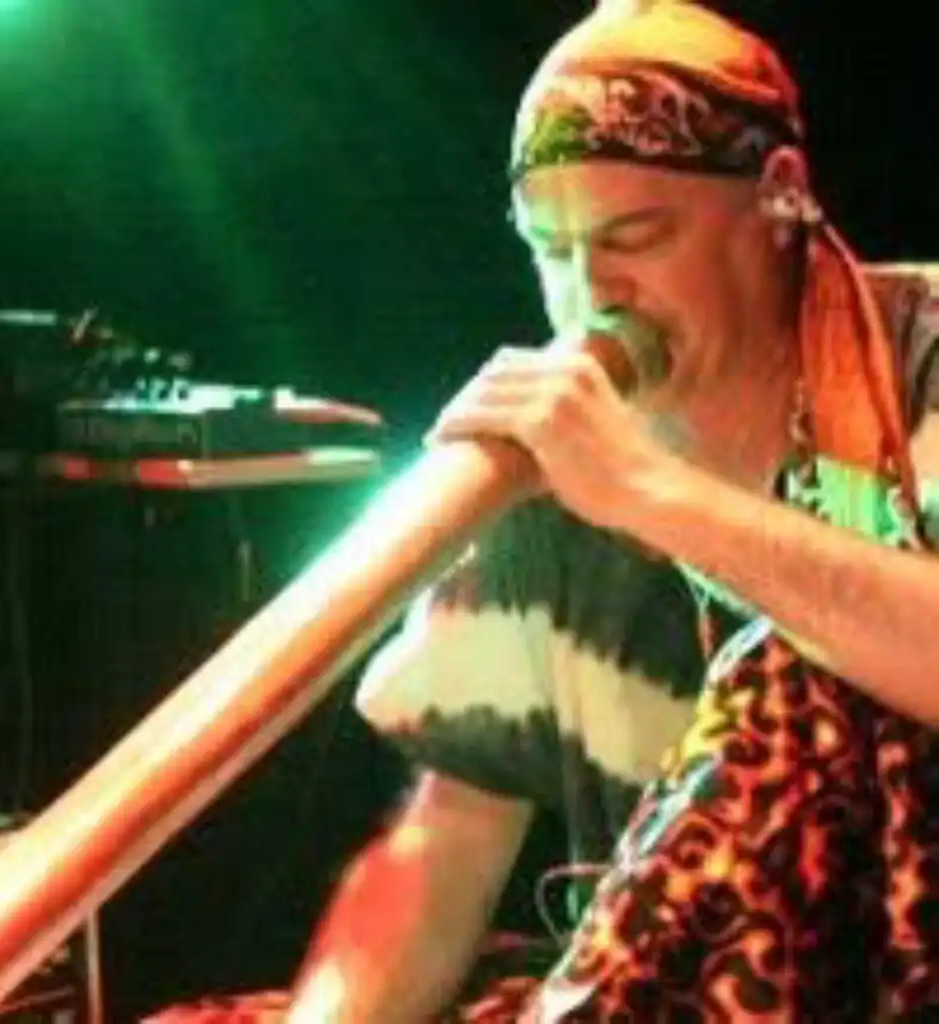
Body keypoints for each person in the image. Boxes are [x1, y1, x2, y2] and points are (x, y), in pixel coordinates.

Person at [145, 0, 939, 1020]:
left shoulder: (917, 354)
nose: (591, 292)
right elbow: (444, 846)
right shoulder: (560, 456)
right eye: (551, 250)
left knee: (792, 678)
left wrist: (648, 493)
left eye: (635, 236)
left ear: (779, 194)